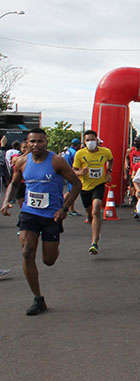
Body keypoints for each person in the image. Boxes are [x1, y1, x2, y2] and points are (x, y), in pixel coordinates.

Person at [1, 128, 81, 315]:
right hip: (29, 213)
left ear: (46, 143)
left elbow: (77, 184)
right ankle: (38, 299)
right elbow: (14, 183)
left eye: (40, 141)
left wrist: (64, 209)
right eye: (32, 141)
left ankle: (53, 246)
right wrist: (6, 201)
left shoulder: (57, 161)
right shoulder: (22, 161)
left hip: (52, 216)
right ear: (27, 142)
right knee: (27, 252)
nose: (36, 145)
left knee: (49, 260)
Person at [73, 130, 113, 255]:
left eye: (92, 139)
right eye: (88, 140)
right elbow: (74, 170)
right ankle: (93, 224)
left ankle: (94, 242)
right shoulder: (80, 154)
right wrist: (80, 172)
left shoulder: (105, 152)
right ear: (84, 142)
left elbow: (110, 160)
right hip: (85, 187)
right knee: (90, 214)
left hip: (99, 184)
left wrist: (109, 172)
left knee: (96, 210)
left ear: (97, 140)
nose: (90, 142)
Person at [125, 137, 140, 215]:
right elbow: (126, 158)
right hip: (132, 172)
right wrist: (126, 164)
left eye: (138, 141)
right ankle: (133, 201)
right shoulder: (130, 150)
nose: (136, 143)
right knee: (133, 188)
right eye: (135, 141)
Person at [63, 138, 82, 216]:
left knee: (69, 191)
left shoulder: (68, 151)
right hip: (71, 173)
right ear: (78, 145)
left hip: (66, 172)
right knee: (73, 191)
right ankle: (71, 209)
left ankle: (59, 205)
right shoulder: (74, 153)